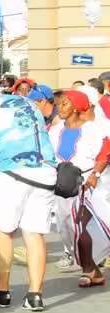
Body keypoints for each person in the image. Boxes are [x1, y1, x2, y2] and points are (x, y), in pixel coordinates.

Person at [0, 87, 56, 312]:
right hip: (46, 172)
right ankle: (35, 295)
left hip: (12, 174)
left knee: (4, 233)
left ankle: (2, 291)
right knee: (34, 234)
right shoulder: (28, 103)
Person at [48, 90, 110, 286]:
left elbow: (103, 155)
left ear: (75, 107)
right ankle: (95, 271)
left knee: (81, 226)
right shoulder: (54, 130)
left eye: (65, 104)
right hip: (60, 185)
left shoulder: (92, 130)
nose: (60, 107)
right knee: (67, 229)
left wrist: (94, 175)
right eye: (60, 104)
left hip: (84, 183)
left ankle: (88, 270)